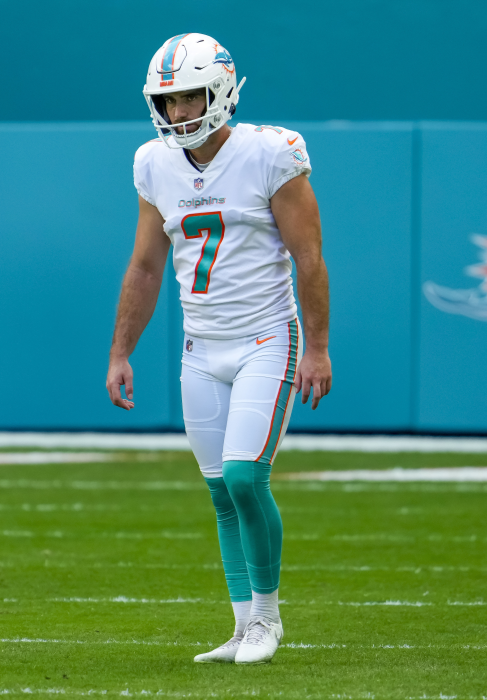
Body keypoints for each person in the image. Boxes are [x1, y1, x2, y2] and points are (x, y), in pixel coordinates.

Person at [106, 33, 331, 665]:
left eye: (189, 97)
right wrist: (121, 351)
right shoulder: (154, 163)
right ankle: (240, 626)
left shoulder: (270, 153)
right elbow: (145, 266)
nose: (178, 112)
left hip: (267, 336)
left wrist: (317, 347)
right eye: (168, 101)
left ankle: (268, 620)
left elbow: (309, 258)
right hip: (201, 347)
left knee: (243, 477)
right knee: (220, 493)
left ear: (222, 92)